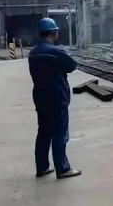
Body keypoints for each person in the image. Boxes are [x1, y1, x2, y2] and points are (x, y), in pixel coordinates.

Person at [28, 17, 82, 179]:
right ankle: (63, 168)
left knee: (43, 132)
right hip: (57, 97)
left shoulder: (33, 53)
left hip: (40, 97)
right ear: (53, 33)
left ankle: (42, 167)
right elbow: (72, 66)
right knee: (59, 132)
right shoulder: (56, 52)